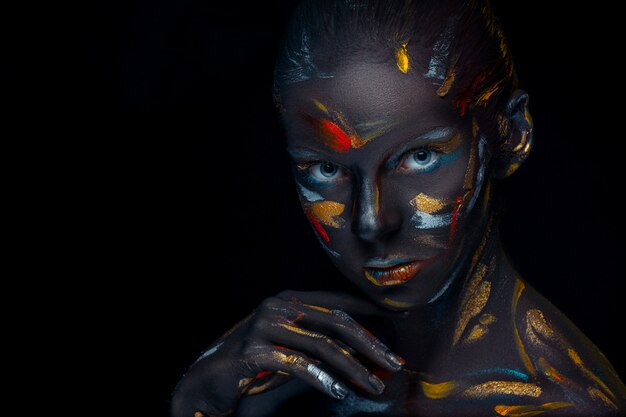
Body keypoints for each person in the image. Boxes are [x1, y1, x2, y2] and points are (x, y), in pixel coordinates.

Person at [171, 0, 626, 415]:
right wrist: (196, 401)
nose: (371, 221)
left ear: (509, 134)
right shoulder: (271, 385)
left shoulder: (559, 407)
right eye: (326, 169)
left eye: (420, 157)